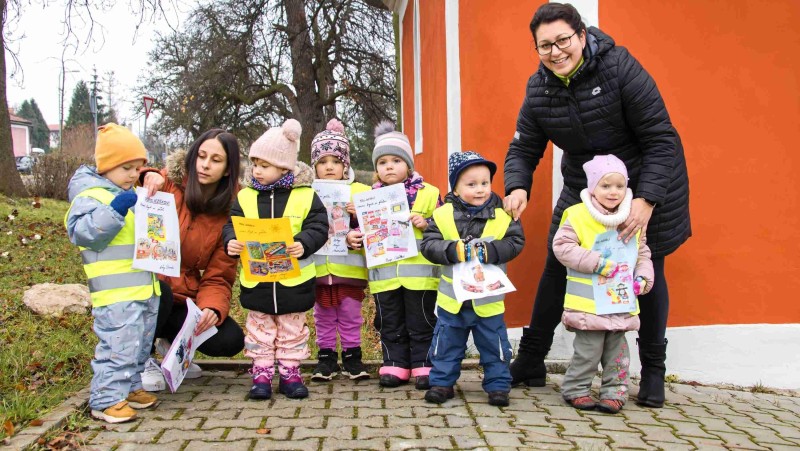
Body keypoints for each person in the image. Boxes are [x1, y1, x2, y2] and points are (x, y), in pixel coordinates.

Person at [503, 2, 690, 408]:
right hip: (583, 187)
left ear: (582, 36)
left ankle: (653, 372)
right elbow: (523, 148)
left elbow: (661, 138)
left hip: (643, 182)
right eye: (544, 45)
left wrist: (645, 201)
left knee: (646, 271)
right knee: (559, 265)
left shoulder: (620, 67)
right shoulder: (539, 88)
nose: (555, 52)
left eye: (562, 40)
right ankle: (532, 359)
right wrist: (517, 187)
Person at [222, 119, 328, 400]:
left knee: (292, 328)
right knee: (259, 329)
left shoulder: (306, 196)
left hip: (295, 281)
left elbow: (318, 227)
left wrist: (303, 244)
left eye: (264, 165)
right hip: (258, 281)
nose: (256, 170)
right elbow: (231, 225)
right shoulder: (245, 197)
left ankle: (291, 372)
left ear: (284, 167)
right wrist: (230, 241)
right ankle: (262, 372)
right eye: (254, 163)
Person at [65, 123, 160, 423]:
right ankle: (106, 399)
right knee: (118, 345)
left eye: (138, 168)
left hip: (143, 287)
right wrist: (116, 210)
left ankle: (130, 388)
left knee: (139, 344)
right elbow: (83, 232)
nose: (134, 175)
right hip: (115, 292)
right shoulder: (91, 196)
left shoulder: (130, 193)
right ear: (106, 167)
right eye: (126, 168)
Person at [139, 129, 245, 384]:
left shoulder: (233, 211)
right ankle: (140, 359)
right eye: (201, 156)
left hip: (184, 296)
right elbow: (128, 181)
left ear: (228, 169)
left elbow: (219, 274)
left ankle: (170, 347)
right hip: (146, 287)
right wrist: (145, 175)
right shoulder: (167, 184)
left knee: (230, 339)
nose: (205, 165)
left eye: (216, 160)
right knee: (160, 293)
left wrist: (212, 308)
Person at [420, 151, 525, 407]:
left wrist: (491, 251)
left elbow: (516, 242)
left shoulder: (502, 216)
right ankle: (442, 383)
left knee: (494, 346)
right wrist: (451, 251)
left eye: (485, 183)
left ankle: (499, 386)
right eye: (471, 184)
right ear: (455, 188)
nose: (480, 189)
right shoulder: (442, 215)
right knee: (446, 344)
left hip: (487, 300)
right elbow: (428, 245)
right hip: (452, 301)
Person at [554, 155, 654, 414]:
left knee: (618, 355)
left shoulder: (632, 218)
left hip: (620, 302)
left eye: (619, 186)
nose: (613, 192)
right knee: (587, 353)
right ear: (592, 188)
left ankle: (614, 393)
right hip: (589, 305)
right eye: (606, 186)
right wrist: (596, 262)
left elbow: (641, 253)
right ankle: (576, 389)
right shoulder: (577, 215)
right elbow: (562, 248)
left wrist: (643, 278)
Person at [368, 122, 443, 389]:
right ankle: (394, 364)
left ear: (409, 165)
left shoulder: (429, 193)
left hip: (419, 276)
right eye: (383, 162)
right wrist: (354, 235)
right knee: (389, 321)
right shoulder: (369, 198)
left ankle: (424, 363)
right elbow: (359, 233)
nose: (389, 166)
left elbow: (445, 226)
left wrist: (426, 223)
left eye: (396, 160)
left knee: (420, 320)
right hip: (384, 276)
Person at [309, 119, 371, 381]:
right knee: (322, 314)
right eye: (322, 162)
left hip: (349, 269)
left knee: (349, 313)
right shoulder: (306, 192)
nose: (329, 167)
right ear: (315, 166)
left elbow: (378, 230)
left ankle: (352, 356)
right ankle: (325, 357)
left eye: (335, 161)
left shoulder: (361, 191)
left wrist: (358, 220)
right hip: (318, 269)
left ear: (345, 164)